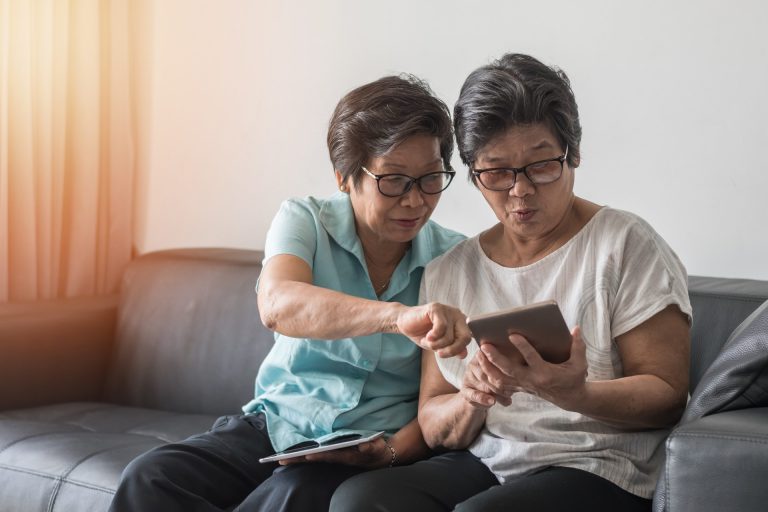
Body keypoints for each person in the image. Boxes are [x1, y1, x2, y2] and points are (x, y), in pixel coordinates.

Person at [330, 53, 692, 512]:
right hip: (490, 460)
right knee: (360, 499)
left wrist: (575, 393)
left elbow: (667, 396)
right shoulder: (450, 270)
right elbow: (434, 420)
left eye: (541, 166)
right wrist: (473, 397)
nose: (519, 191)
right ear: (473, 175)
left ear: (573, 155)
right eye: (497, 173)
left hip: (597, 464)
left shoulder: (624, 244)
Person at [109, 74, 471, 512]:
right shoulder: (305, 221)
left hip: (366, 447)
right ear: (344, 178)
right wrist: (395, 316)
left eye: (431, 178)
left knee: (289, 496)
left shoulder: (454, 259)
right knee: (151, 478)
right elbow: (278, 304)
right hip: (275, 425)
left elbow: (445, 397)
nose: (415, 201)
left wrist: (392, 452)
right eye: (394, 180)